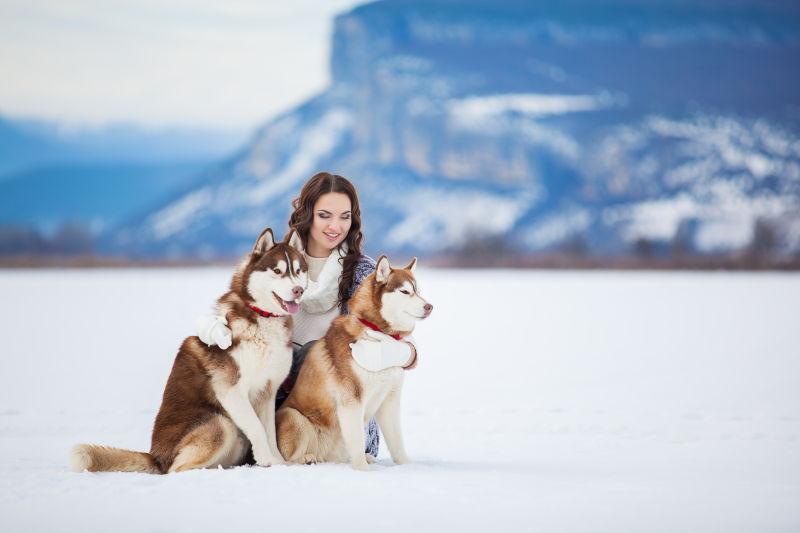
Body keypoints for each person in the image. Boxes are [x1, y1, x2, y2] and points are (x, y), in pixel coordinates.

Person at [196, 171, 417, 459]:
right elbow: (240, 312)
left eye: (344, 216)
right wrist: (215, 328)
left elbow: (398, 340)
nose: (335, 226)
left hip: (339, 421)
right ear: (307, 214)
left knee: (318, 350)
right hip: (277, 412)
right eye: (325, 215)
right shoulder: (274, 262)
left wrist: (404, 353)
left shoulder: (363, 273)